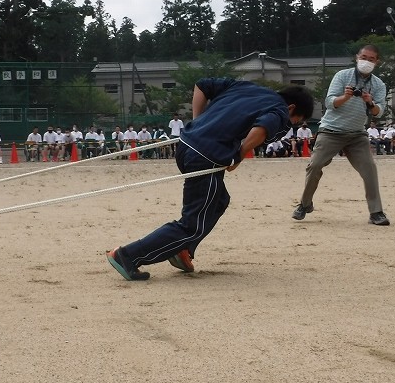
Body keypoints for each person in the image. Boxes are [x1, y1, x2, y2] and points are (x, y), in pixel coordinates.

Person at [106, 80, 314, 281]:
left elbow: (201, 85)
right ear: (292, 107)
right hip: (206, 156)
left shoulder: (245, 87)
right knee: (192, 225)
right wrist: (240, 154)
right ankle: (128, 255)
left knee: (219, 200)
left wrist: (198, 122)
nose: (293, 124)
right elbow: (261, 129)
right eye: (296, 120)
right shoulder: (280, 110)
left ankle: (182, 249)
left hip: (186, 144)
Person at [292, 44, 391, 226]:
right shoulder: (342, 76)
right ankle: (304, 204)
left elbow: (379, 112)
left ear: (377, 62)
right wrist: (346, 96)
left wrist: (370, 102)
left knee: (369, 169)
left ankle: (376, 212)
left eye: (371, 59)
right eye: (364, 57)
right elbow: (330, 103)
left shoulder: (378, 84)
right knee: (314, 165)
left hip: (357, 134)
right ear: (357, 57)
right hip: (331, 131)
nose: (366, 61)